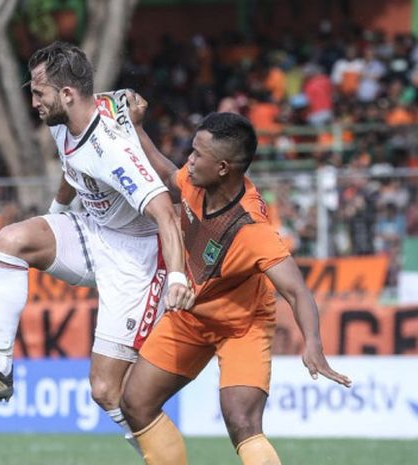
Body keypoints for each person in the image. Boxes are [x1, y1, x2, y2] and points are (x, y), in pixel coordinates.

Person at [0, 41, 194, 454]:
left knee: (108, 391)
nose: (34, 102)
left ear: (67, 94)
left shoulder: (111, 149)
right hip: (95, 232)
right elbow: (71, 167)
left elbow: (166, 211)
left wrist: (179, 277)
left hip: (139, 257)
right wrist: (55, 215)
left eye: (39, 93)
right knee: (12, 241)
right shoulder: (65, 122)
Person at [119, 94, 352, 465]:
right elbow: (166, 173)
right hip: (191, 316)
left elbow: (297, 290)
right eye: (192, 150)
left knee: (241, 420)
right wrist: (136, 127)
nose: (189, 160)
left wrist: (313, 344)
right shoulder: (196, 182)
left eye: (197, 154)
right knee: (135, 403)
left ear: (224, 167)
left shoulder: (252, 230)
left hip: (242, 325)